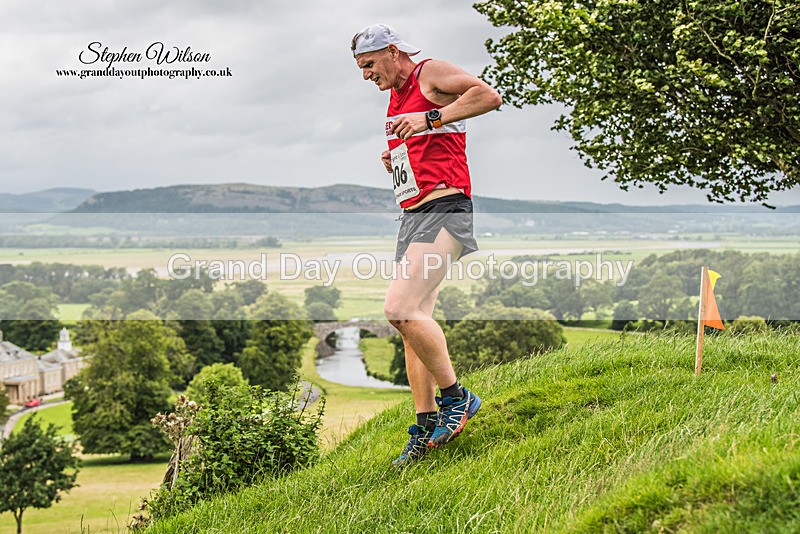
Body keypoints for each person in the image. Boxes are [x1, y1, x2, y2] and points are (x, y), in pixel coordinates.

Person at [351, 24, 502, 466]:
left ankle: (458, 398)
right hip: (413, 214)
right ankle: (425, 423)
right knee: (410, 323)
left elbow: (487, 96)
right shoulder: (395, 99)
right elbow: (426, 144)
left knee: (398, 308)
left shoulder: (428, 72)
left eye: (368, 65)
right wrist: (397, 155)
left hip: (446, 208)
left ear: (392, 52)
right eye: (360, 69)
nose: (365, 76)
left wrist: (430, 117)